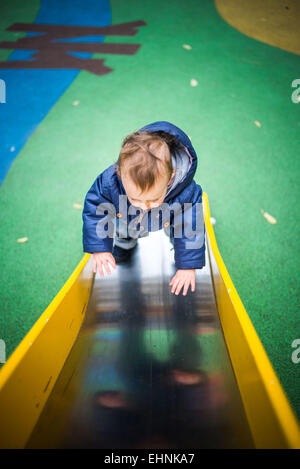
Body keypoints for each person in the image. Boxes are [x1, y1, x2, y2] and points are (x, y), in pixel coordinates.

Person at [82, 121, 205, 296]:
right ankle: (124, 246)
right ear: (120, 175)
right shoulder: (110, 182)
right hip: (127, 215)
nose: (145, 206)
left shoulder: (185, 192)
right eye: (136, 198)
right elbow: (95, 209)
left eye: (153, 199)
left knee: (179, 231)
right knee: (122, 228)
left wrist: (188, 266)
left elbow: (190, 226)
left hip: (168, 216)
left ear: (170, 179)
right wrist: (100, 247)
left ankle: (178, 250)